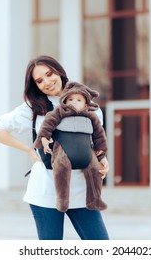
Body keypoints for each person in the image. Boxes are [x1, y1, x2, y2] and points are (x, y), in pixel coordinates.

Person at [0, 55, 110, 240]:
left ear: (59, 72)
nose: (47, 82)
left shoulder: (88, 105)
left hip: (82, 192)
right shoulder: (33, 108)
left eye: (49, 74)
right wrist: (29, 150)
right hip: (45, 192)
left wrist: (103, 160)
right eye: (39, 80)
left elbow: (95, 144)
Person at [34, 81, 108, 213]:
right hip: (63, 149)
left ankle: (95, 199)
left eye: (78, 100)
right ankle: (62, 200)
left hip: (86, 151)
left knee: (94, 171)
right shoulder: (59, 112)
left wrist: (102, 155)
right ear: (64, 101)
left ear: (86, 103)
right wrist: (44, 138)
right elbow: (48, 124)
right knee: (61, 169)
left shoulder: (92, 116)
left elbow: (99, 136)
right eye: (71, 99)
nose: (74, 102)